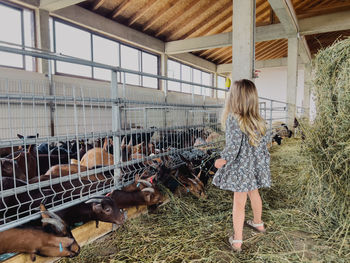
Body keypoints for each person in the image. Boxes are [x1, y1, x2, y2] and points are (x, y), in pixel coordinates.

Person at [212, 79, 271, 252]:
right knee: (254, 193)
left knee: (239, 203)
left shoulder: (233, 119)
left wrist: (222, 160)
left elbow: (233, 147)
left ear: (235, 98)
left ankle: (237, 241)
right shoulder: (259, 121)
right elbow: (266, 142)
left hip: (241, 169)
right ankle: (258, 224)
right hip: (254, 167)